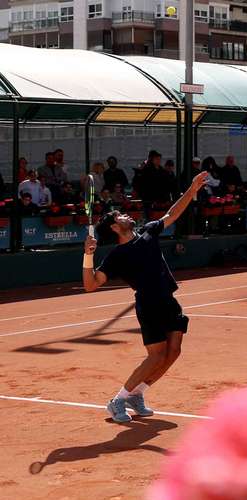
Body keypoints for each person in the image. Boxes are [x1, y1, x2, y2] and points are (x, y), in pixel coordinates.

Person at [82, 171, 208, 424]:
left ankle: (136, 395)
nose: (126, 214)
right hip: (149, 305)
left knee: (173, 353)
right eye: (120, 216)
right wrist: (87, 256)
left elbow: (172, 213)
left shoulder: (149, 231)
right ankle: (117, 400)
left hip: (168, 301)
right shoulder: (117, 255)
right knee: (156, 356)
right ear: (116, 227)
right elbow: (91, 285)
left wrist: (191, 191)